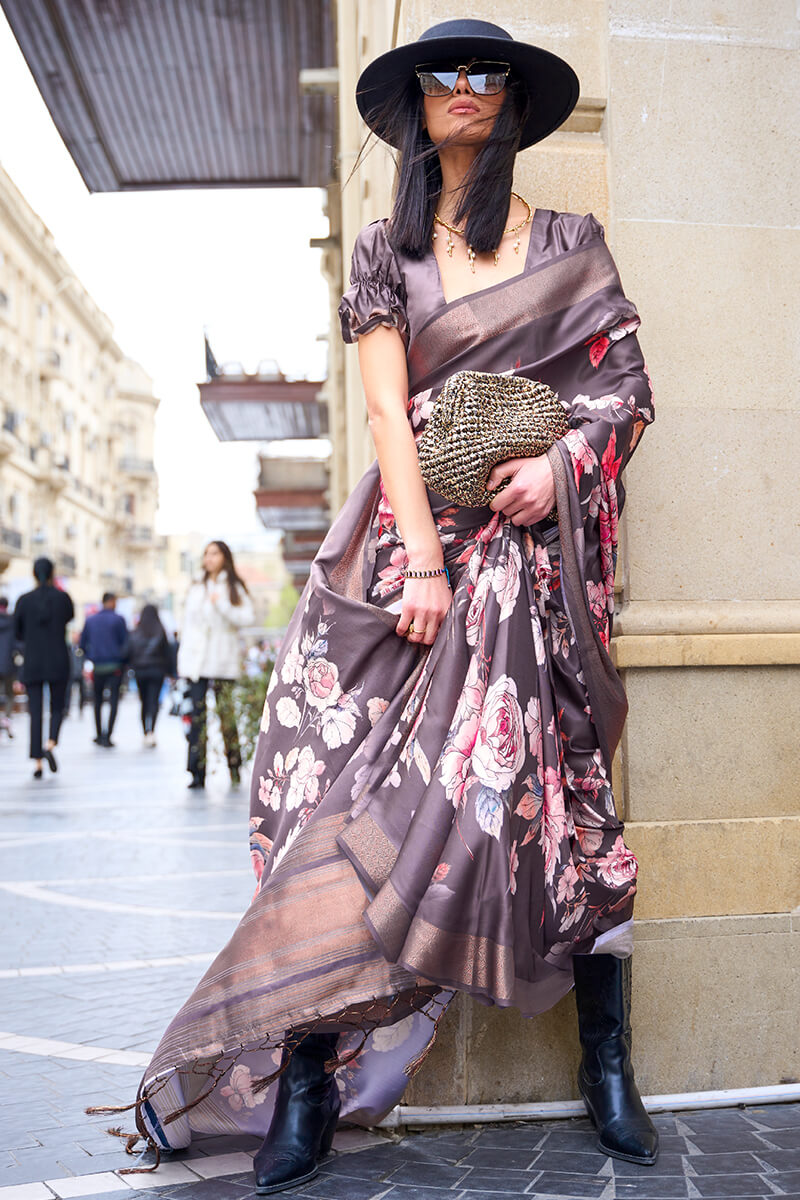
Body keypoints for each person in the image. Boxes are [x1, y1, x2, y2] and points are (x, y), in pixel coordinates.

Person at [106, 21, 657, 1191]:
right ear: (415, 103)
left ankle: (607, 1060)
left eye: (487, 73)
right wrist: (420, 558)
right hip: (403, 565)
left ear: (512, 102)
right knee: (327, 794)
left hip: (538, 566)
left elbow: (624, 390)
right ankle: (304, 1074)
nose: (467, 89)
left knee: (563, 798)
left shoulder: (572, 241)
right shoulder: (381, 250)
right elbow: (384, 417)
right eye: (444, 74)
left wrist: (557, 470)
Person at [177, 540, 254, 787]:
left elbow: (247, 617)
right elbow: (188, 626)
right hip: (197, 663)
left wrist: (221, 604)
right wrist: (183, 660)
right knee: (196, 717)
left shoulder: (233, 587)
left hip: (222, 659)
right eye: (206, 554)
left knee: (226, 716)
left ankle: (234, 767)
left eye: (214, 553)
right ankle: (196, 772)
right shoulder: (196, 586)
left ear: (224, 557)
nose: (209, 558)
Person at [12, 558, 74, 777]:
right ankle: (50, 744)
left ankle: (37, 761)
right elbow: (69, 617)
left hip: (33, 661)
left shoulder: (23, 600)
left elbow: (17, 632)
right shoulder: (63, 598)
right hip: (58, 660)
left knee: (35, 712)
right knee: (58, 707)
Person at [80, 593, 129, 747]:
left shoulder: (91, 620)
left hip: (97, 666)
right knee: (114, 700)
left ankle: (99, 733)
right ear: (112, 602)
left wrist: (91, 658)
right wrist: (122, 661)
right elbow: (126, 643)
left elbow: (82, 644)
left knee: (97, 701)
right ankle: (108, 735)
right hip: (115, 666)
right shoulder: (118, 620)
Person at [128, 604, 173, 747]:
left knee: (144, 702)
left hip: (140, 671)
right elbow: (168, 653)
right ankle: (151, 731)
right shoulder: (160, 631)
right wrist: (171, 671)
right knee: (154, 701)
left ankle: (145, 732)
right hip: (157, 671)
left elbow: (130, 652)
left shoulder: (136, 632)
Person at [0, 596, 15, 738]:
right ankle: (6, 720)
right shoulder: (12, 621)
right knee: (9, 695)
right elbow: (17, 643)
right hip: (8, 664)